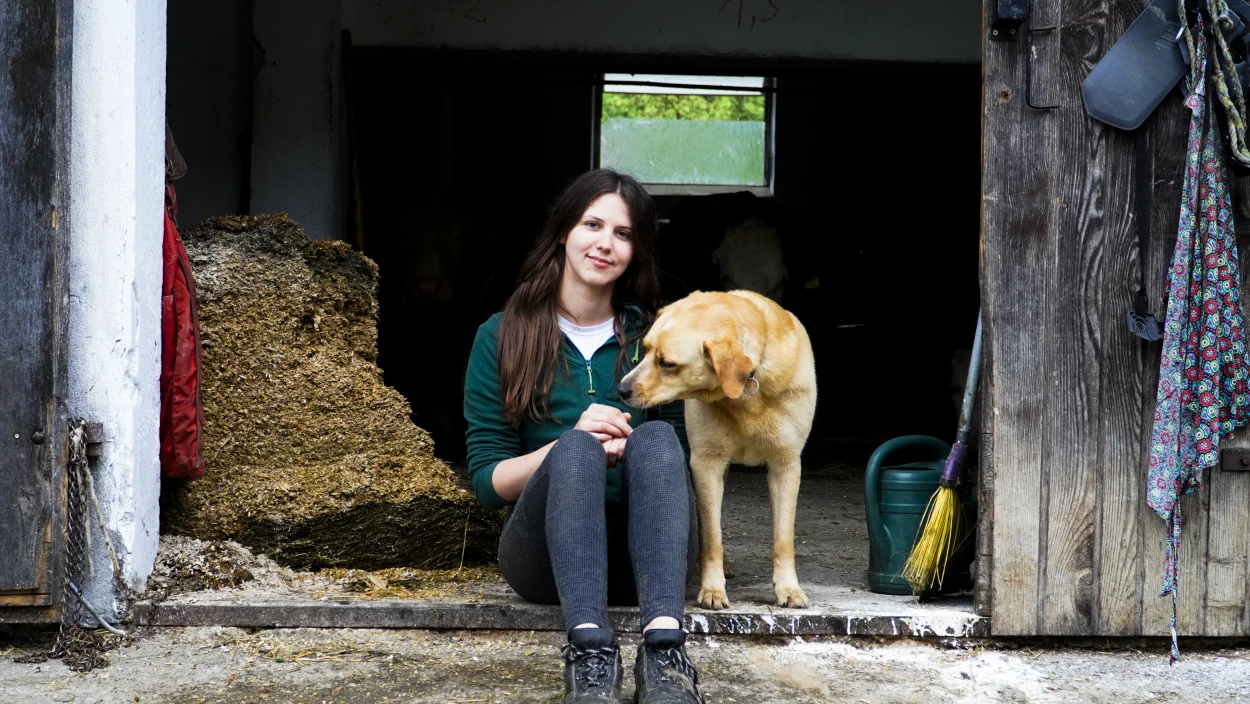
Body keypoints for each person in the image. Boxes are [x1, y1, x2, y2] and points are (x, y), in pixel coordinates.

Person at [463, 168, 704, 703]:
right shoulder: (500, 335)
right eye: (593, 224)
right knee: (574, 448)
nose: (605, 243)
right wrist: (571, 444)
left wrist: (633, 447)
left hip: (655, 562)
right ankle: (590, 653)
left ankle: (665, 653)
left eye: (623, 234)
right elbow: (486, 480)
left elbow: (687, 460)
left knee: (659, 440)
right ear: (563, 232)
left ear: (636, 251)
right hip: (547, 561)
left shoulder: (660, 336)